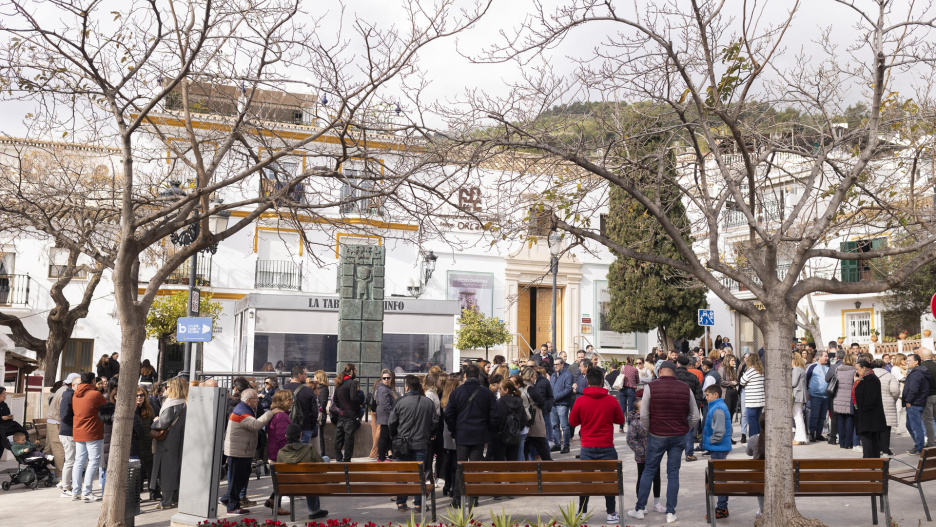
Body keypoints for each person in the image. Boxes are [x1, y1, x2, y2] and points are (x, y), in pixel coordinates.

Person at [627, 361, 700, 524]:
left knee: (649, 470)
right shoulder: (685, 388)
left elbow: (644, 415)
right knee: (673, 473)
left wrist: (648, 430)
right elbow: (695, 416)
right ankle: (671, 512)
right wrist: (683, 428)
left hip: (657, 435)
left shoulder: (650, 388)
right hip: (678, 436)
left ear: (659, 371)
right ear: (675, 373)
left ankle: (639, 509)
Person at [570, 366, 625, 523]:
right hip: (607, 446)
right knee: (609, 480)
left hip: (587, 447)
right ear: (602, 382)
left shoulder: (580, 400)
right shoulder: (611, 400)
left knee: (586, 480)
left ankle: (582, 513)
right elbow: (621, 420)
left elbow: (572, 422)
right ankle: (611, 513)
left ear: (587, 382)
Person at [443, 365, 498, 508]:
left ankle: (457, 498)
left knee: (460, 465)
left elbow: (448, 414)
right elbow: (494, 415)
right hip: (479, 434)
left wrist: (454, 428)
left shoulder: (457, 392)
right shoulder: (486, 393)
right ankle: (473, 498)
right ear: (479, 377)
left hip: (462, 434)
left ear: (465, 376)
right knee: (475, 467)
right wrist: (488, 430)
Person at [389, 375, 438, 512]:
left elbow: (391, 423)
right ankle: (418, 504)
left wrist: (394, 436)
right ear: (419, 387)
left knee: (402, 474)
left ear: (406, 387)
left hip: (402, 444)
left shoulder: (400, 402)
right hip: (421, 443)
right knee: (419, 475)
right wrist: (430, 434)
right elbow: (435, 422)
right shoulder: (428, 402)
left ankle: (401, 503)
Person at [223, 388, 273, 515]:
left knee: (240, 477)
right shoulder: (242, 412)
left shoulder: (244, 408)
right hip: (239, 451)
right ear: (249, 400)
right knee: (238, 479)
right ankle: (233, 506)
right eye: (256, 398)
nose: (258, 401)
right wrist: (271, 413)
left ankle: (226, 499)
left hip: (242, 450)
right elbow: (256, 425)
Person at [276, 422, 329, 519]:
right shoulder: (309, 449)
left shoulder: (281, 453)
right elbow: (322, 467)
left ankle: (314, 510)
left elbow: (280, 473)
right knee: (324, 460)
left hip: (288, 487)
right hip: (308, 484)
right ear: (300, 435)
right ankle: (313, 510)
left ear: (285, 436)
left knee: (310, 476)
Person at [150, 377, 188, 509]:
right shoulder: (183, 403)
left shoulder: (172, 404)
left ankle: (166, 502)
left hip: (167, 442)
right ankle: (176, 499)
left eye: (168, 387)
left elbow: (163, 423)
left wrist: (155, 421)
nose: (166, 389)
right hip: (178, 441)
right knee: (176, 470)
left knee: (166, 471)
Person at [70, 371, 107, 502]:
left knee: (79, 461)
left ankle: (76, 491)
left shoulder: (75, 394)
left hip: (78, 431)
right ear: (92, 381)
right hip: (93, 431)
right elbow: (107, 408)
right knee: (94, 461)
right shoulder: (95, 394)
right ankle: (87, 491)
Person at [702, 384, 732, 520]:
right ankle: (722, 506)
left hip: (719, 449)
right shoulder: (716, 407)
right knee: (719, 478)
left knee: (719, 480)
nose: (706, 397)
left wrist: (709, 441)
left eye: (707, 394)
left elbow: (719, 432)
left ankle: (722, 507)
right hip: (718, 448)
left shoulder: (718, 408)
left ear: (716, 395)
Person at [625, 404, 663, 512]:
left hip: (654, 454)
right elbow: (630, 439)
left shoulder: (653, 419)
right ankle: (641, 504)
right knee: (641, 479)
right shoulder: (635, 422)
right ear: (637, 410)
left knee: (656, 478)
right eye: (642, 406)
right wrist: (641, 451)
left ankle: (657, 502)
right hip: (642, 456)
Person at [264, 389, 294, 516]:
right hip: (279, 453)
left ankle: (273, 501)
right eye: (290, 399)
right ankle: (275, 503)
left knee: (282, 480)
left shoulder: (277, 414)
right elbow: (282, 438)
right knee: (284, 480)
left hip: (275, 452)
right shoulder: (281, 416)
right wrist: (288, 453)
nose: (292, 401)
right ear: (285, 401)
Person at [853, 358, 888, 458]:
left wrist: (863, 409)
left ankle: (869, 462)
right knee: (870, 440)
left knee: (869, 441)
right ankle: (872, 462)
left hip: (869, 416)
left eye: (858, 369)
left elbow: (870, 399)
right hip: (867, 416)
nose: (857, 371)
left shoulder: (871, 379)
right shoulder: (865, 378)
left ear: (864, 368)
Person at [47, 373, 76, 482]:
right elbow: (63, 412)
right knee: (59, 449)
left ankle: (49, 472)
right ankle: (59, 475)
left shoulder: (63, 389)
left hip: (53, 421)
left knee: (50, 448)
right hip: (56, 422)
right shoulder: (66, 393)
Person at [674, 355, 703, 462]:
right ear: (687, 365)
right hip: (689, 407)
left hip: (674, 408)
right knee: (689, 430)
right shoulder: (692, 376)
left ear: (677, 363)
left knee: (674, 431)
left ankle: (675, 453)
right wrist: (695, 406)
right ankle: (689, 453)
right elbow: (699, 394)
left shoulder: (673, 376)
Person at [904, 353, 933, 455]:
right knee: (910, 425)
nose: (907, 362)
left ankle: (920, 447)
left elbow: (913, 390)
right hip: (916, 402)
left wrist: (908, 401)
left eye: (909, 360)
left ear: (916, 362)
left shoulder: (917, 373)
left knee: (915, 426)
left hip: (914, 403)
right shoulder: (918, 372)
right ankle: (919, 445)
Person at [332, 364, 363, 462]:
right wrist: (359, 406)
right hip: (350, 415)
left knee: (338, 438)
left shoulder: (340, 382)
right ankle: (347, 460)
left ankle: (338, 458)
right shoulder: (352, 383)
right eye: (355, 370)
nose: (356, 373)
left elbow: (335, 399)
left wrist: (342, 407)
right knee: (348, 439)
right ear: (351, 371)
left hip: (342, 414)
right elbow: (353, 398)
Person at [491, 380, 527, 462]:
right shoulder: (519, 401)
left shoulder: (498, 403)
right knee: (513, 462)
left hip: (500, 437)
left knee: (499, 463)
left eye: (500, 389)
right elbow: (523, 419)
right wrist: (516, 429)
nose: (499, 391)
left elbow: (495, 419)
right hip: (514, 435)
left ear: (506, 390)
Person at [283, 366, 318, 444]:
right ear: (299, 375)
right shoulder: (308, 391)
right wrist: (311, 426)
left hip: (286, 428)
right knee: (304, 453)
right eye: (305, 374)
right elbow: (315, 412)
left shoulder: (281, 389)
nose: (306, 376)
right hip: (304, 427)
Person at [871, 359, 899, 455]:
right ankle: (886, 450)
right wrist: (893, 399)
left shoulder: (869, 376)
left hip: (873, 405)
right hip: (887, 404)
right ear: (883, 366)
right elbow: (895, 391)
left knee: (875, 428)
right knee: (886, 428)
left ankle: (877, 449)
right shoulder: (889, 376)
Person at [833, 353, 858, 450]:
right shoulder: (853, 371)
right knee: (849, 419)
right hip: (849, 397)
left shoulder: (838, 369)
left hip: (838, 396)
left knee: (840, 419)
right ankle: (848, 442)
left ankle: (842, 443)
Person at [550, 357, 574, 454]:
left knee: (564, 426)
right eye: (554, 364)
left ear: (562, 365)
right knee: (554, 425)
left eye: (557, 364)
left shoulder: (568, 375)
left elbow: (568, 389)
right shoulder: (553, 375)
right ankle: (557, 444)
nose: (555, 366)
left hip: (562, 404)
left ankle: (566, 446)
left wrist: (555, 397)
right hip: (553, 404)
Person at [805, 350, 830, 442]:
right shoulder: (812, 367)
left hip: (826, 396)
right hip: (815, 396)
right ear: (819, 357)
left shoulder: (828, 368)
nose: (827, 358)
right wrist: (807, 392)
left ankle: (819, 434)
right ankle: (812, 433)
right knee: (814, 415)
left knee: (822, 416)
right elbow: (806, 380)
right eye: (825, 356)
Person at [739, 353, 765, 438]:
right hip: (760, 400)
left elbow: (742, 381)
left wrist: (743, 376)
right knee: (757, 420)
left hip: (752, 400)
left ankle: (753, 439)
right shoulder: (761, 370)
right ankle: (758, 439)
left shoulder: (750, 370)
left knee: (752, 421)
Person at [375, 369, 397, 461]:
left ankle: (383, 457)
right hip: (385, 417)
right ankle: (381, 458)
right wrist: (394, 414)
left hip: (387, 416)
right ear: (382, 379)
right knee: (384, 437)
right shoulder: (382, 389)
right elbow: (385, 404)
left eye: (388, 378)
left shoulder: (388, 388)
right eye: (384, 378)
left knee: (386, 437)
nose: (386, 379)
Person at [825, 347, 844, 445]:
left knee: (835, 416)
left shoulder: (833, 367)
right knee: (845, 416)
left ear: (836, 357)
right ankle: (843, 437)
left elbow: (827, 379)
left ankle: (833, 437)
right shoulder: (851, 367)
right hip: (846, 395)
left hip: (835, 394)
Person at [919, 348, 936, 447]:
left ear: (922, 356)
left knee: (928, 420)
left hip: (928, 396)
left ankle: (932, 442)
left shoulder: (922, 367)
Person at [791, 353, 808, 445]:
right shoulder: (801, 369)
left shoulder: (796, 369)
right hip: (800, 395)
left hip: (797, 395)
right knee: (798, 416)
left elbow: (793, 383)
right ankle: (799, 437)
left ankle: (800, 437)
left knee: (797, 416)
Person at [619, 358, 640, 428]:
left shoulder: (622, 368)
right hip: (631, 389)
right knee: (630, 409)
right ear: (633, 362)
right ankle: (629, 425)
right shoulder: (635, 369)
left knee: (622, 408)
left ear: (626, 361)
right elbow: (638, 381)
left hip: (622, 389)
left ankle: (621, 426)